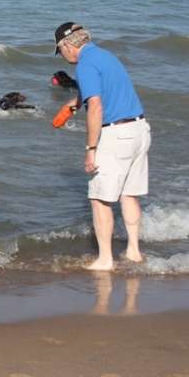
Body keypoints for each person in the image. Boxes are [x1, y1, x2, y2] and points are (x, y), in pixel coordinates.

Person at [54, 22, 151, 271]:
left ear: (67, 45)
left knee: (99, 199)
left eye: (60, 50)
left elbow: (96, 106)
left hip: (116, 135)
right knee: (128, 194)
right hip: (139, 129)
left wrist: (91, 149)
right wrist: (75, 104)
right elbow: (103, 89)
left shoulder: (85, 65)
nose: (62, 55)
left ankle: (105, 260)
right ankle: (134, 252)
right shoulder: (105, 56)